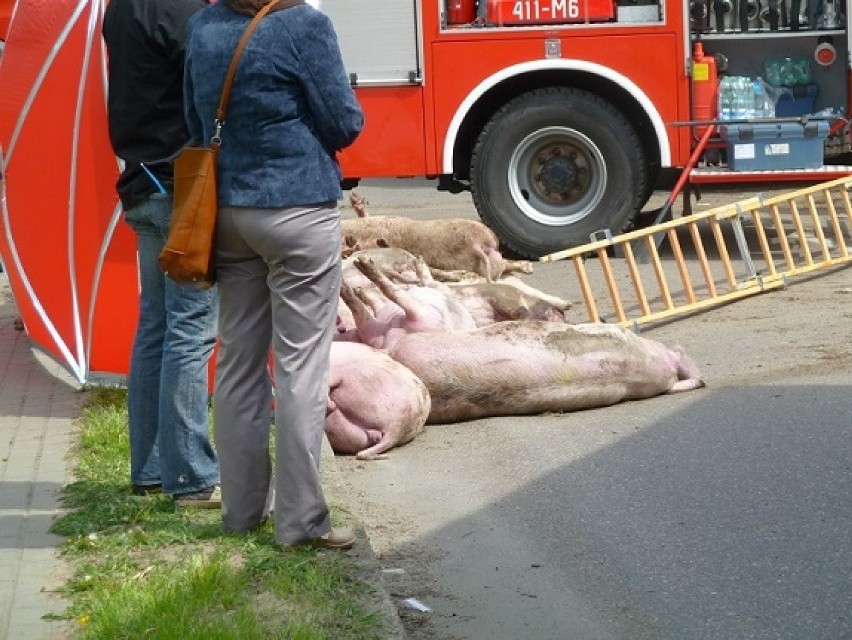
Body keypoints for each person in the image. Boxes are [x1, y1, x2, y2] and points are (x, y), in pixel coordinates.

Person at [183, 0, 364, 548]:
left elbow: (196, 122)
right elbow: (344, 123)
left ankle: (240, 514)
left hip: (229, 214)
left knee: (237, 366)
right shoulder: (305, 26)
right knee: (300, 371)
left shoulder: (203, 26)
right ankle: (302, 521)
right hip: (297, 210)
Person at [103, 0, 221, 508]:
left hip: (141, 180)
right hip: (182, 186)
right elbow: (209, 91)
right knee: (189, 332)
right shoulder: (182, 10)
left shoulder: (120, 6)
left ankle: (151, 470)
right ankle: (191, 478)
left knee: (156, 326)